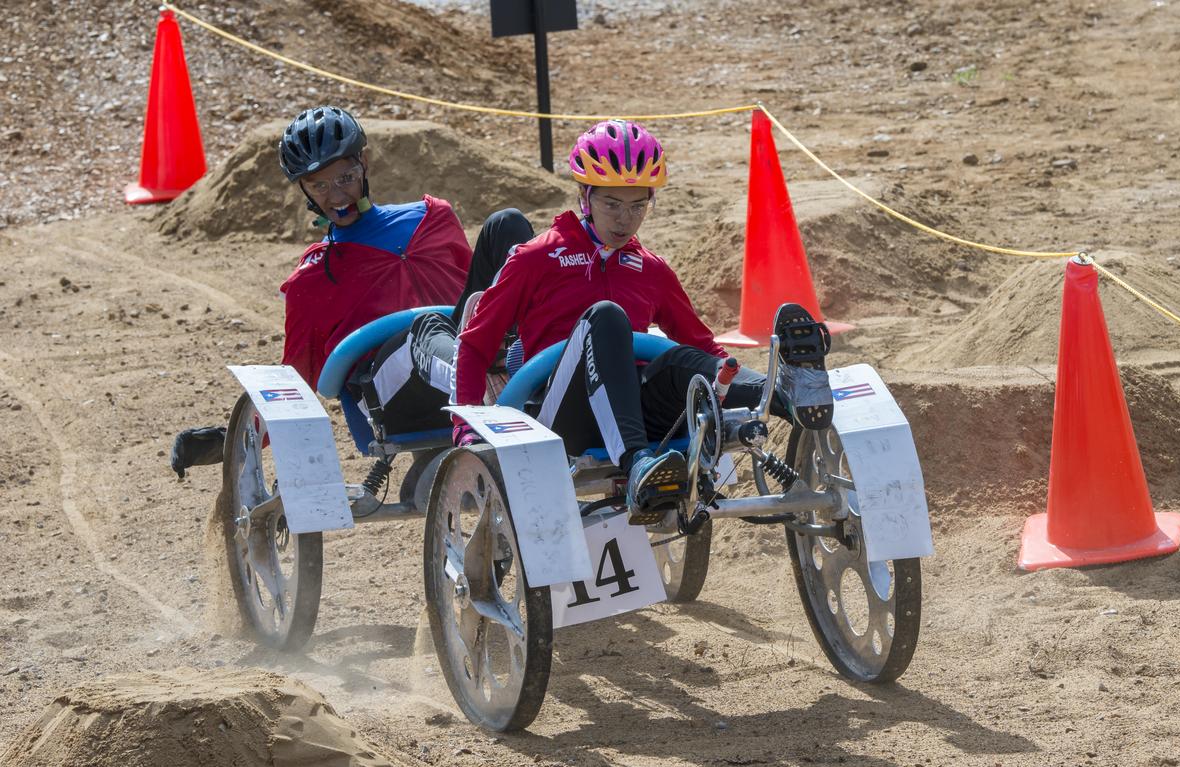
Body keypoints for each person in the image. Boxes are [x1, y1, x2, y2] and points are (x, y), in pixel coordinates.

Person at [451, 119, 834, 525]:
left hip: (636, 405)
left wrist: (729, 377)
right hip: (563, 416)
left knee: (680, 363)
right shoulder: (535, 258)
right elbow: (474, 344)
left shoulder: (650, 269)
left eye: (638, 206)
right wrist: (465, 426)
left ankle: (784, 391)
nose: (624, 220)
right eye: (611, 205)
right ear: (585, 196)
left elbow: (704, 349)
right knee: (607, 318)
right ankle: (638, 465)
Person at [171, 105, 533, 476]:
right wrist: (230, 439)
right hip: (390, 395)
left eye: (345, 177)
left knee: (507, 224)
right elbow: (298, 376)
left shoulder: (433, 217)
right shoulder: (311, 277)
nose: (336, 195)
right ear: (304, 189)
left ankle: (523, 361)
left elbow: (471, 294)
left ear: (365, 164)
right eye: (320, 186)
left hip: (463, 343)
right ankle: (481, 380)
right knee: (425, 326)